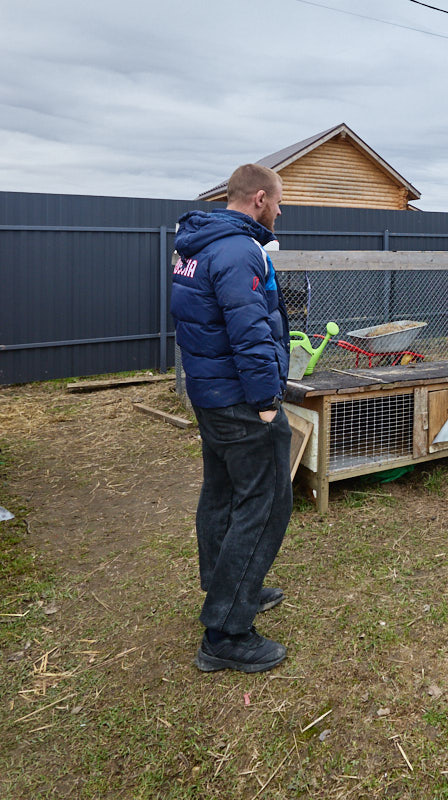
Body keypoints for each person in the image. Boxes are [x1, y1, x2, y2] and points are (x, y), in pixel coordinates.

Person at [170, 163, 292, 673]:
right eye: (280, 202)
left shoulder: (193, 247)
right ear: (259, 198)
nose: (281, 211)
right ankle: (226, 631)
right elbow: (249, 330)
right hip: (242, 400)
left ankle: (226, 583)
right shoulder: (240, 250)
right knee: (264, 503)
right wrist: (267, 400)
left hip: (209, 393)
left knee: (221, 491)